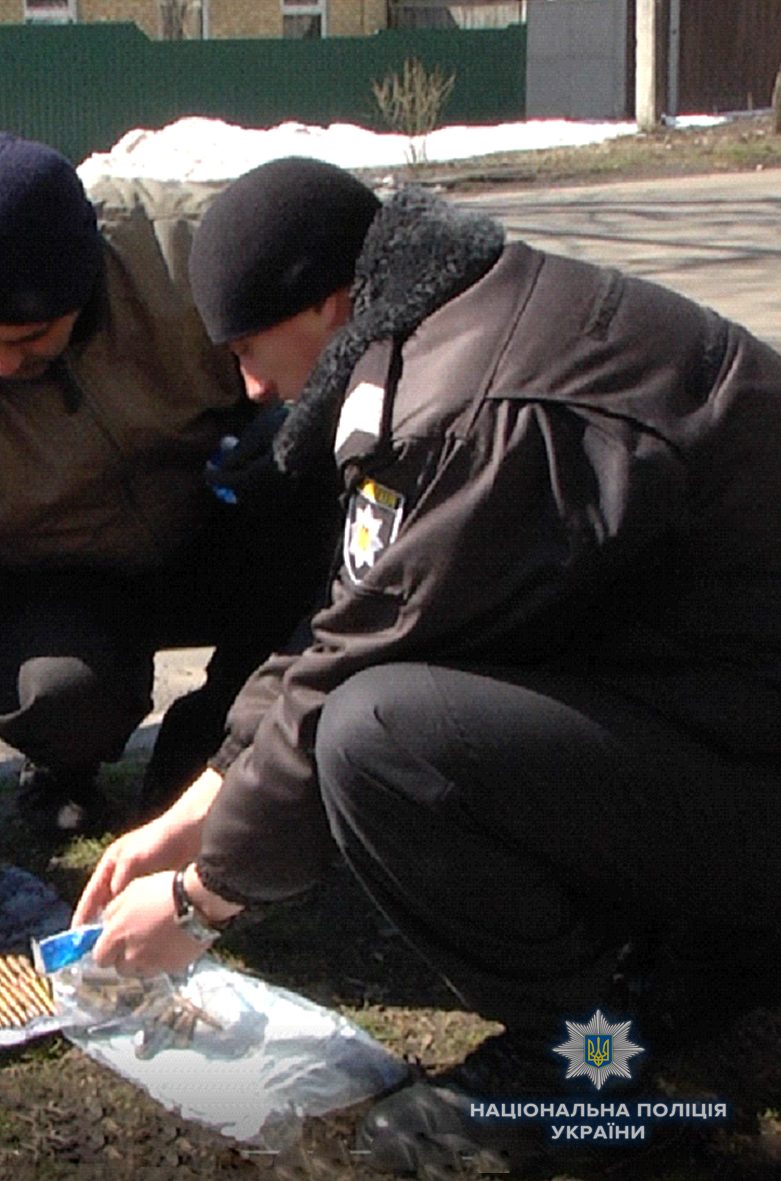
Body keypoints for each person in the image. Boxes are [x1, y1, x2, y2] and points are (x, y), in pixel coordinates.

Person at [74, 156, 781, 1173]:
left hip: (749, 767)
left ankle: (583, 1069)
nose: (249, 386)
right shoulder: (458, 318)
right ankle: (700, 952)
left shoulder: (467, 410)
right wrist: (198, 805)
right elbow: (352, 614)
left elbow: (354, 670)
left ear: (326, 306)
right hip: (723, 716)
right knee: (385, 710)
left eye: (247, 349)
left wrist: (201, 902)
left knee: (383, 742)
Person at [0, 134, 336, 980]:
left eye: (31, 338)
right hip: (51, 575)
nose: (3, 361)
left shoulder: (184, 256)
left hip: (214, 527)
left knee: (321, 535)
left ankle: (222, 744)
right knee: (63, 695)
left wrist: (298, 418)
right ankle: (66, 761)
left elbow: (351, 310)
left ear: (88, 285)